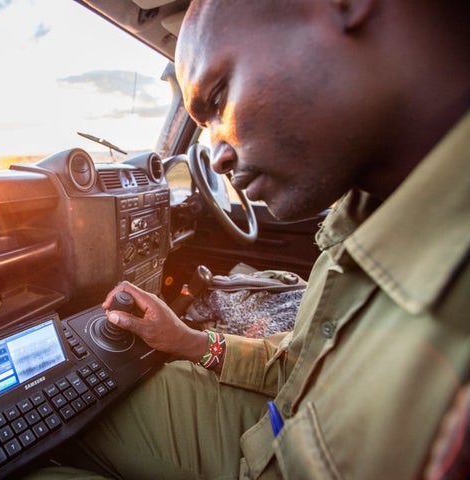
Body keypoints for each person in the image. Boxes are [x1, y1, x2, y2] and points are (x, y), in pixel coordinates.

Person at [25, 0, 470, 478]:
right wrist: (190, 341)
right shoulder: (367, 214)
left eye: (216, 100)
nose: (215, 156)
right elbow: (300, 367)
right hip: (279, 423)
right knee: (70, 412)